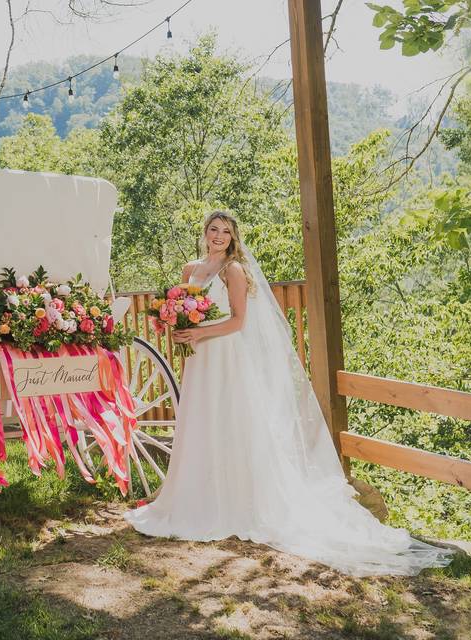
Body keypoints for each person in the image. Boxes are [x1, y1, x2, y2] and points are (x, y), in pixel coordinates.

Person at [123, 210, 453, 577]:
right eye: (213, 230)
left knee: (230, 420)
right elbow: (182, 313)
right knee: (200, 421)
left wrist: (199, 333)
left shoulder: (233, 271)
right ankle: (193, 493)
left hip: (225, 355)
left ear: (233, 238)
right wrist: (179, 329)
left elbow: (237, 321)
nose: (218, 236)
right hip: (199, 359)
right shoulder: (190, 269)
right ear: (204, 233)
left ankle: (236, 500)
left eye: (226, 232)